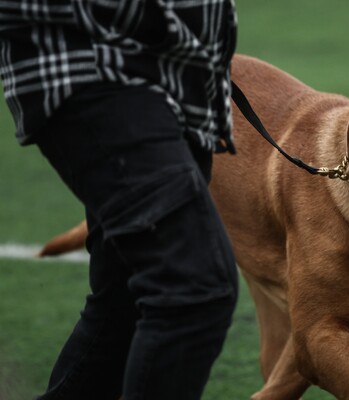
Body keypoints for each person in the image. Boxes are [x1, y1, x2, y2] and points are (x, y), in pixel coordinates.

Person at [0, 1, 239, 399]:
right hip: (94, 59)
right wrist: (160, 22)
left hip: (178, 74)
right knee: (192, 288)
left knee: (125, 303)